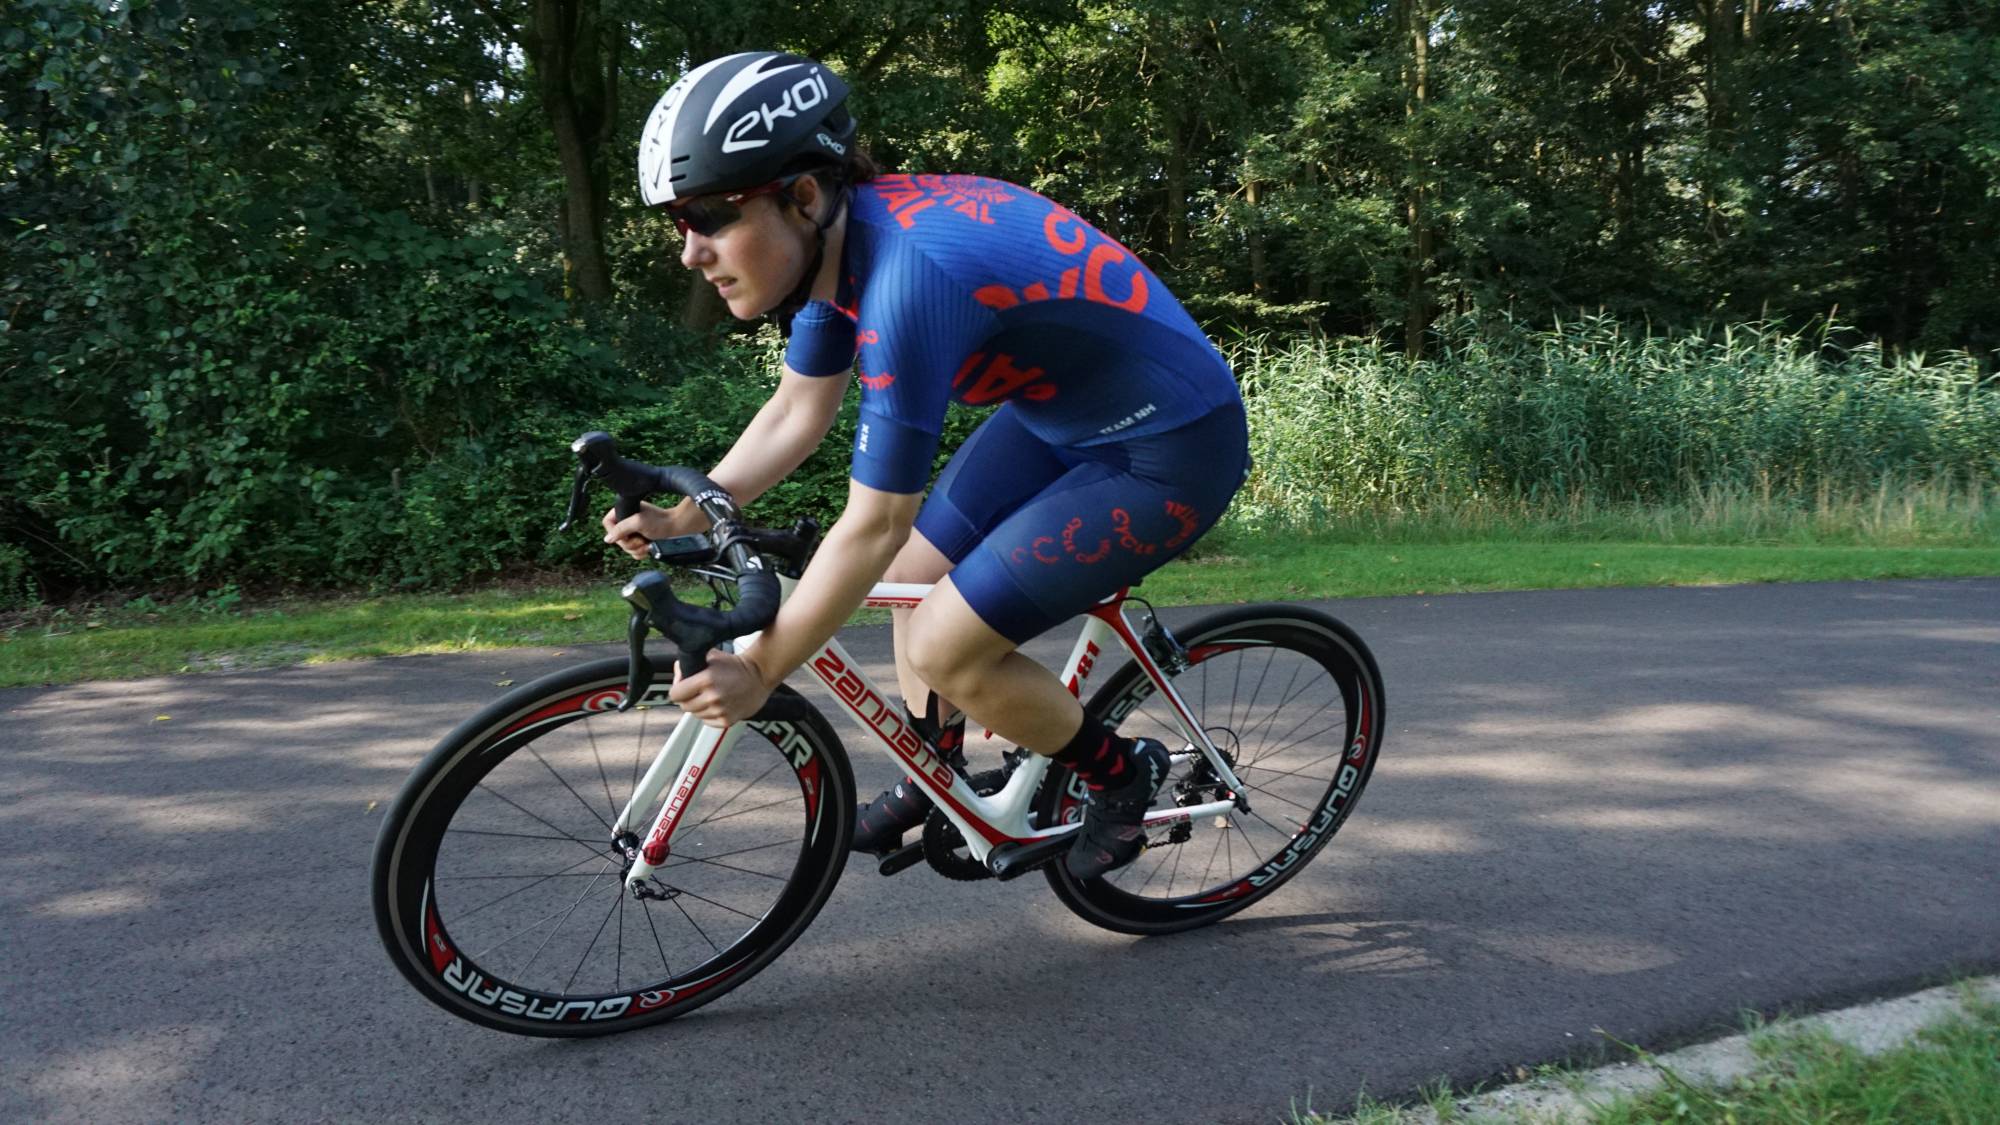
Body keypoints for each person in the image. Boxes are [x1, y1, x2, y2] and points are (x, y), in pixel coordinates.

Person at [606, 51, 1249, 879]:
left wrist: (761, 669)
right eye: (678, 223)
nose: (690, 251)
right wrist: (685, 515)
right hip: (1060, 417)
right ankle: (938, 765)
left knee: (947, 643)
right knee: (911, 581)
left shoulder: (911, 280)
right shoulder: (839, 249)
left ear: (802, 195)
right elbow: (797, 412)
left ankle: (1123, 774)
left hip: (1172, 444)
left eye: (707, 216)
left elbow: (874, 520)